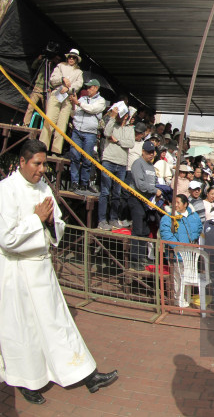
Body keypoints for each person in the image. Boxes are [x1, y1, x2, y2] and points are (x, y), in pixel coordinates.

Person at [0, 139, 118, 405]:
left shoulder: (43, 188)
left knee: (58, 323)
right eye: (37, 164)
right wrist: (37, 219)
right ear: (22, 162)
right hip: (17, 271)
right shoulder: (6, 190)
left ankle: (86, 374)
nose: (42, 170)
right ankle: (28, 381)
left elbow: (58, 225)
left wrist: (51, 222)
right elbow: (6, 238)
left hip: (42, 268)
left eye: (44, 164)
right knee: (25, 329)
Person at [159, 193, 203, 306]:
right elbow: (166, 234)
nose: (176, 205)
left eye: (178, 203)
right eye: (174, 202)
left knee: (188, 276)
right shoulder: (168, 217)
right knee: (177, 277)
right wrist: (178, 247)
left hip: (190, 253)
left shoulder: (194, 215)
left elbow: (199, 228)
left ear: (185, 204)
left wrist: (192, 239)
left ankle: (186, 297)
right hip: (176, 254)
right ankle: (178, 299)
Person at [39, 48, 83, 155]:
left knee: (62, 125)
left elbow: (79, 85)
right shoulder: (60, 66)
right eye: (70, 57)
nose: (71, 59)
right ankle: (42, 148)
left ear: (76, 60)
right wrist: (62, 79)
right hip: (57, 94)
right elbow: (52, 80)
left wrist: (69, 88)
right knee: (49, 120)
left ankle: (56, 150)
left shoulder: (79, 72)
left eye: (73, 58)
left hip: (68, 98)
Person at [98, 106, 134, 230]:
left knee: (117, 193)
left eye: (119, 114)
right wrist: (112, 117)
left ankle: (113, 219)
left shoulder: (130, 129)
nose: (117, 115)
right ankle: (102, 220)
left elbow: (131, 143)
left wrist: (117, 141)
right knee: (105, 192)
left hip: (122, 164)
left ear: (125, 116)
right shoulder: (111, 124)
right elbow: (106, 133)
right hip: (108, 160)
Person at [67, 79, 106, 194]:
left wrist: (78, 103)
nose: (88, 89)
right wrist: (74, 104)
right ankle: (74, 182)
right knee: (74, 156)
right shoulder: (82, 99)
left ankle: (84, 183)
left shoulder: (101, 101)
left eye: (90, 87)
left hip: (90, 133)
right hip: (77, 130)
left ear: (96, 88)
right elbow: (73, 114)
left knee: (87, 159)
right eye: (87, 87)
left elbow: (92, 109)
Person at [128, 140, 160, 270]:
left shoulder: (151, 166)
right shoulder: (138, 164)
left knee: (145, 230)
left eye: (152, 152)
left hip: (147, 201)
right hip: (136, 199)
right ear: (143, 152)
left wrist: (158, 189)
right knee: (138, 230)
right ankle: (134, 260)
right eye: (148, 152)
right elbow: (140, 184)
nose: (151, 155)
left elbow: (154, 181)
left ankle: (142, 256)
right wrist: (154, 190)